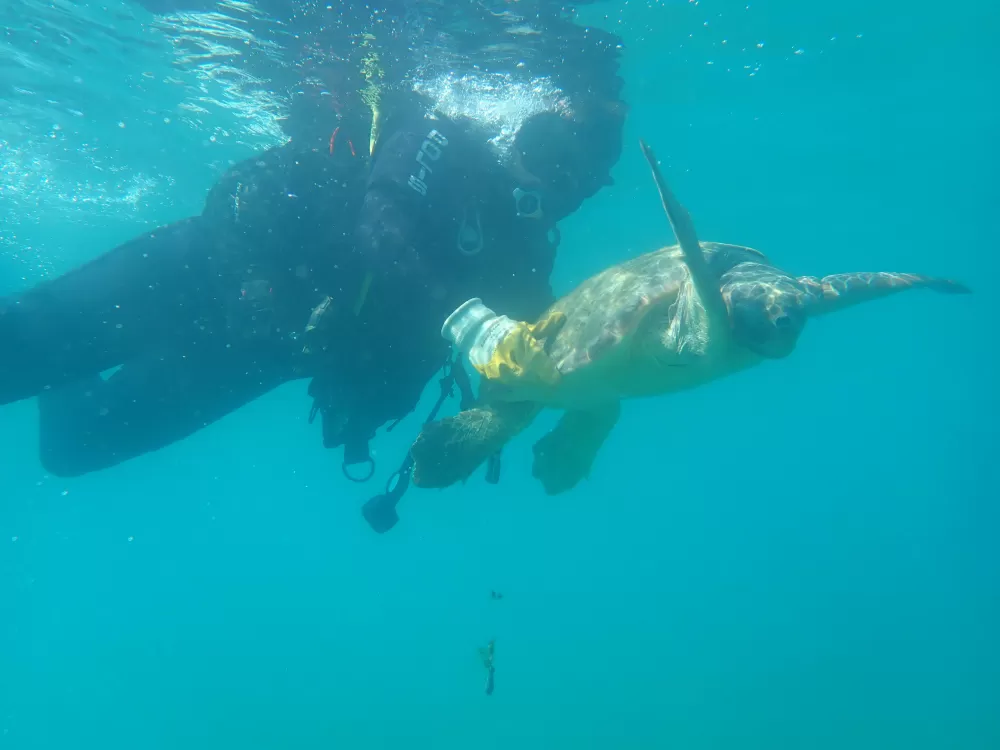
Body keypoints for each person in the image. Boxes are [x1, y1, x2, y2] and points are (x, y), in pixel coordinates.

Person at [0, 46, 625, 481]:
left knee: (76, 447)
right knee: (15, 351)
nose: (555, 189)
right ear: (519, 136)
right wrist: (468, 323)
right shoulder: (445, 144)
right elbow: (384, 225)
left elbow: (556, 355)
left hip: (271, 349)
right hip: (219, 263)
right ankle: (58, 342)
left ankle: (64, 362)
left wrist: (586, 430)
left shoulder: (520, 261)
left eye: (581, 184)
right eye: (549, 157)